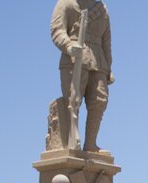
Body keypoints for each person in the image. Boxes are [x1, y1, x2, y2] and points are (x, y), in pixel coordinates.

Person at [50, 0, 113, 151]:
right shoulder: (66, 3)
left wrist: (109, 68)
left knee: (100, 100)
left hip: (98, 60)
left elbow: (106, 42)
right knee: (73, 100)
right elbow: (57, 30)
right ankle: (71, 141)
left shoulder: (102, 9)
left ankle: (91, 144)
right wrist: (68, 46)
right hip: (74, 59)